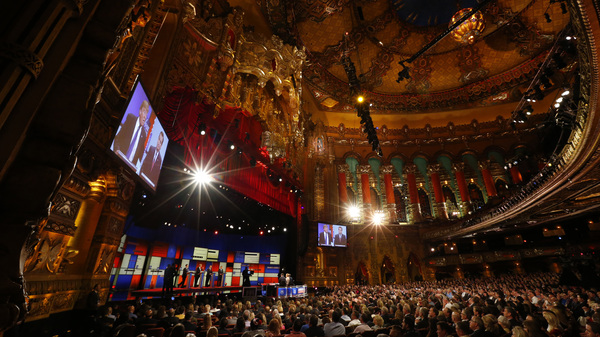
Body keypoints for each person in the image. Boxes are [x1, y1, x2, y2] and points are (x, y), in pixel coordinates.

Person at [113, 99, 149, 165]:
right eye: (144, 112)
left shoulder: (144, 134)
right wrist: (116, 149)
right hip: (118, 159)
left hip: (129, 168)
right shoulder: (130, 119)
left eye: (146, 114)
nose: (145, 116)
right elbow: (118, 137)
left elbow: (140, 156)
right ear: (140, 111)